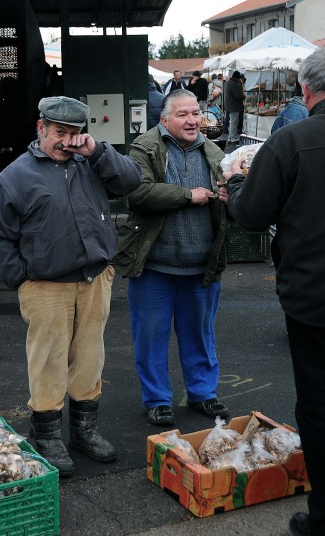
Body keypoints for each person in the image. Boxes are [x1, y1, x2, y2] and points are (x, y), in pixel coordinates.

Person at [0, 96, 142, 478]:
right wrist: (23, 279)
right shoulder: (14, 177)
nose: (66, 141)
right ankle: (46, 436)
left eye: (74, 133)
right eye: (59, 132)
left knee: (90, 359)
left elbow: (131, 181)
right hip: (46, 286)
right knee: (48, 361)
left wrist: (97, 149)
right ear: (41, 128)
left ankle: (84, 431)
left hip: (94, 280)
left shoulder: (91, 162)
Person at [222, 47, 325, 536]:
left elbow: (251, 215)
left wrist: (235, 183)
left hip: (314, 301)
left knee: (319, 407)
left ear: (306, 89)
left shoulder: (292, 141)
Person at [114, 89, 229, 427]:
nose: (192, 120)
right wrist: (187, 195)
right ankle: (157, 400)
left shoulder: (214, 152)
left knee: (201, 335)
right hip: (154, 265)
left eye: (195, 113)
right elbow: (137, 193)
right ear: (164, 120)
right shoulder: (144, 148)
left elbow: (231, 205)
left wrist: (230, 195)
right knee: (151, 337)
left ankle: (203, 394)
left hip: (201, 266)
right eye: (183, 114)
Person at [223, 70, 245, 145]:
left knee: (231, 122)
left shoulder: (227, 83)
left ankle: (230, 137)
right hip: (234, 106)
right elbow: (239, 96)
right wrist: (244, 96)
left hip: (228, 105)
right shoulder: (234, 84)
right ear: (237, 78)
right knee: (234, 122)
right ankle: (233, 138)